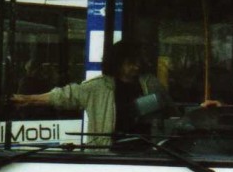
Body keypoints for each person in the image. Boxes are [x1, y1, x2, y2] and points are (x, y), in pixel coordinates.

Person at [10, 40, 167, 146]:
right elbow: (65, 96)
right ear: (117, 63)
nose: (137, 67)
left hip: (148, 155)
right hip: (108, 156)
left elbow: (168, 111)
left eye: (138, 62)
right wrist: (28, 99)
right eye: (131, 63)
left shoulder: (150, 83)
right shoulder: (98, 88)